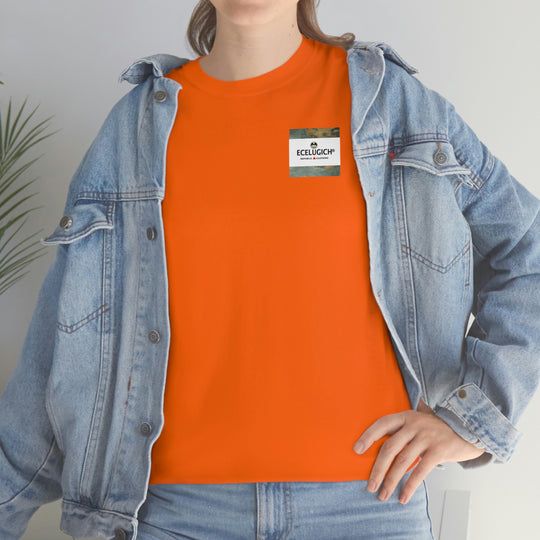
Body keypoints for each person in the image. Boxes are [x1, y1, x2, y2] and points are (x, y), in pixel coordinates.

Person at [1, 1, 539, 539]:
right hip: (172, 515)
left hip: (369, 508)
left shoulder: (393, 105)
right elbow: (62, 347)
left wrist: (473, 420)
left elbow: (527, 251)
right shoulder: (132, 130)